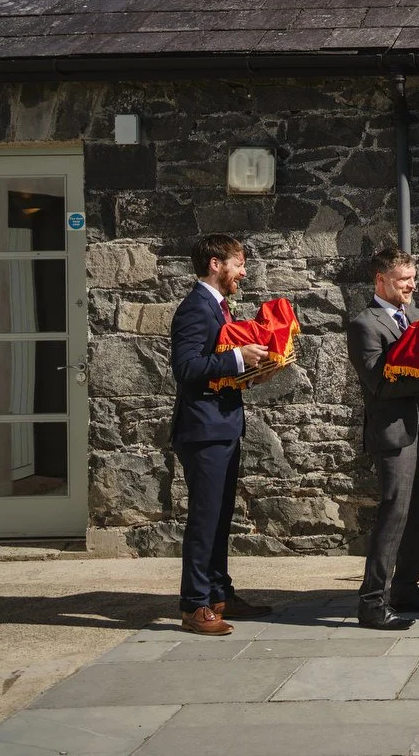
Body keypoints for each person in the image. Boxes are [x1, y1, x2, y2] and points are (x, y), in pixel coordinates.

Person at [169, 234, 272, 635]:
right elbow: (186, 368)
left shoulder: (218, 308)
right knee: (204, 519)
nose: (244, 271)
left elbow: (215, 366)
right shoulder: (195, 308)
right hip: (203, 430)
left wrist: (255, 368)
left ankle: (218, 593)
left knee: (220, 518)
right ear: (216, 264)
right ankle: (194, 604)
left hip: (222, 425)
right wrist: (236, 357)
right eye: (239, 263)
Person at [346, 246, 419, 631]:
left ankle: (406, 589)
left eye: (412, 277)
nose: (411, 285)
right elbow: (378, 384)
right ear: (380, 280)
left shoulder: (418, 317)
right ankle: (372, 603)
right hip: (394, 432)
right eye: (402, 279)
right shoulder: (365, 324)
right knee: (395, 513)